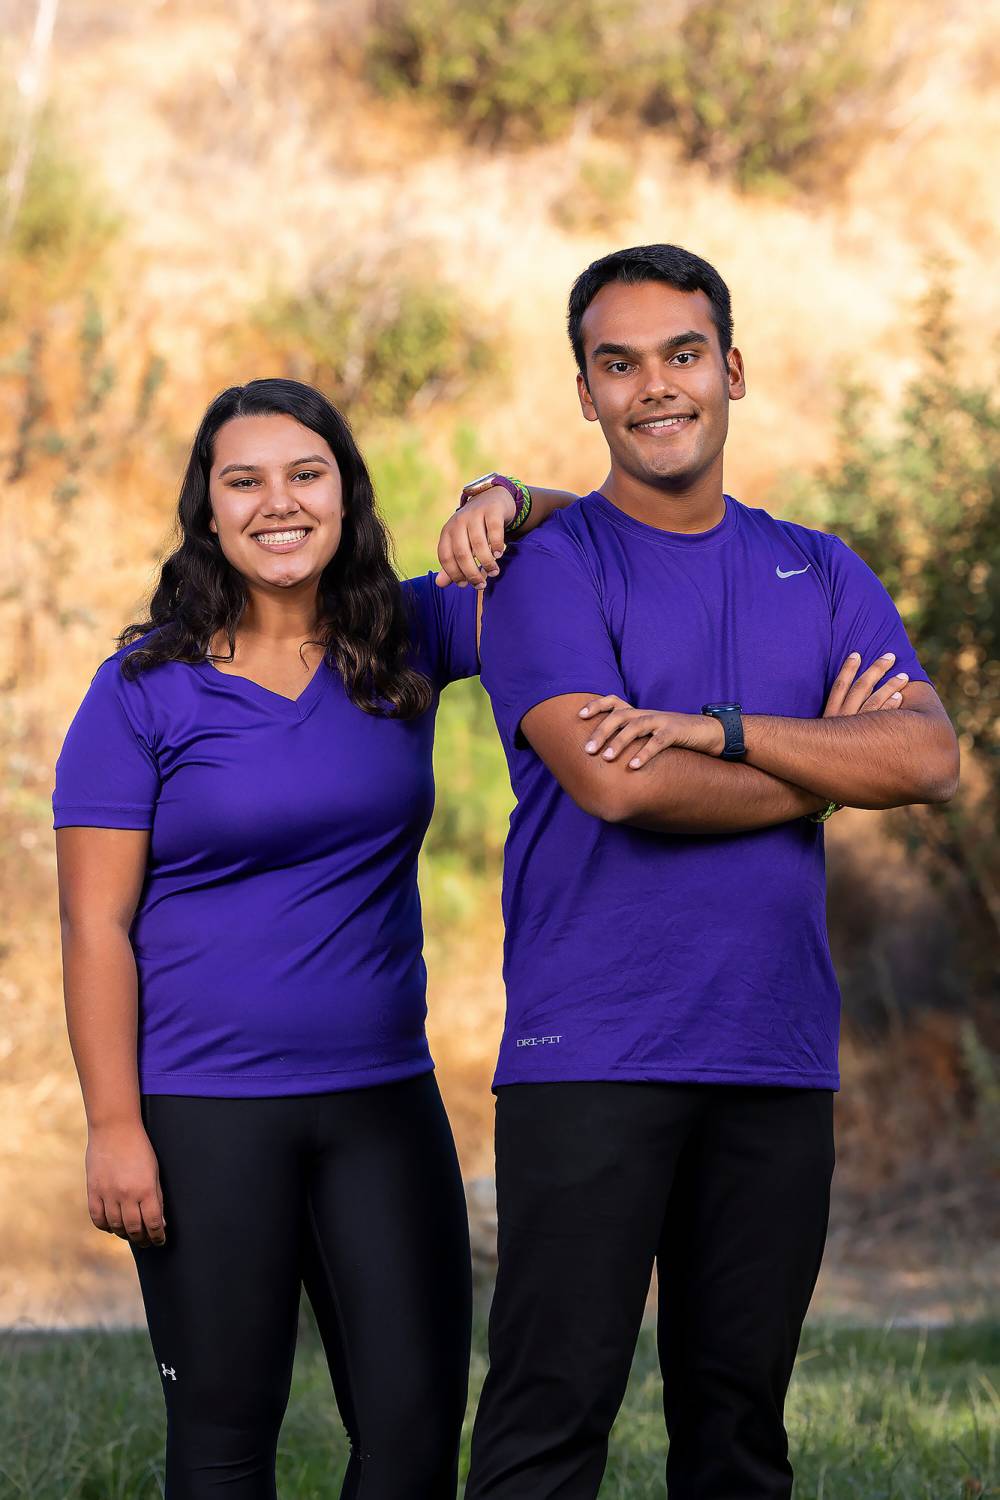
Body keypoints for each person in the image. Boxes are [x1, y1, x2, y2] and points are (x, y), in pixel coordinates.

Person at [460, 244, 960, 1499]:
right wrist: (829, 761)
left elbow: (930, 756)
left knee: (739, 1437)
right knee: (545, 1427)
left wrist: (721, 729)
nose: (655, 388)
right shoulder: (548, 569)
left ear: (731, 369)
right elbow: (620, 783)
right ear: (585, 394)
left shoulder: (823, 566)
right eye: (616, 364)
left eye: (682, 355)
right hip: (594, 1053)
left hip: (772, 1053)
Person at [52, 376, 567, 1500]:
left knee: (415, 1440)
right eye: (244, 481)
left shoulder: (413, 635)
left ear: (346, 494)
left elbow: (601, 545)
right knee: (225, 1447)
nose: (276, 504)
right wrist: (113, 1127)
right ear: (209, 509)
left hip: (383, 1102)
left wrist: (510, 497)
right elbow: (96, 926)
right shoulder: (142, 692)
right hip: (202, 1116)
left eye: (305, 474)